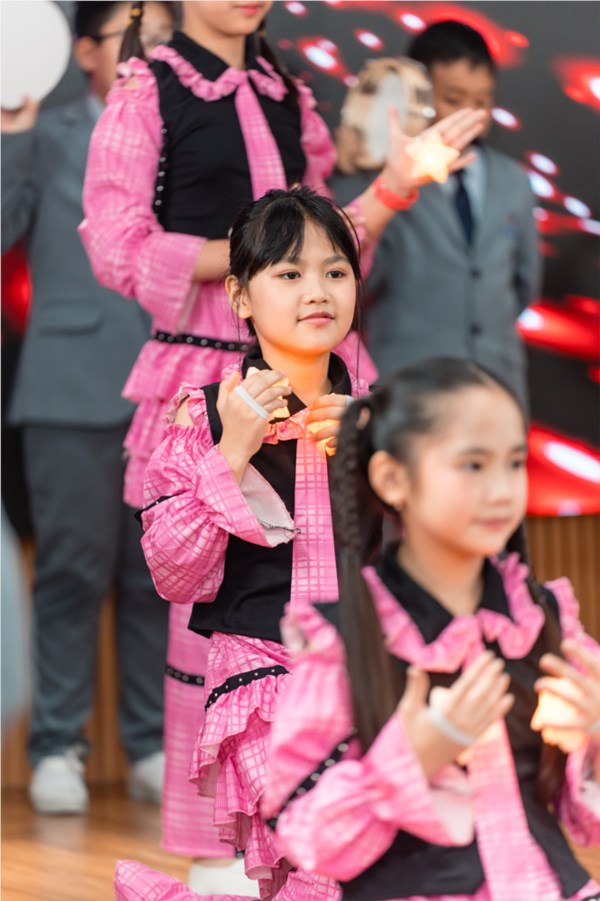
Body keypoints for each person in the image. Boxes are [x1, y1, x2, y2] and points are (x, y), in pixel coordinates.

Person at [79, 0, 485, 882]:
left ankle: (343, 835)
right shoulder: (148, 89)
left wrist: (396, 182)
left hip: (321, 366)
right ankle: (230, 850)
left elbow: (324, 240)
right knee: (218, 609)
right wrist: (256, 263)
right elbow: (117, 246)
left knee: (354, 574)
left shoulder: (287, 93)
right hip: (208, 363)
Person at [115, 186, 386, 901]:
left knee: (347, 869)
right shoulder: (203, 415)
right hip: (262, 673)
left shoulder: (388, 418)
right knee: (318, 849)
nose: (317, 291)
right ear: (240, 295)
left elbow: (434, 552)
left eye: (335, 271)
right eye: (289, 273)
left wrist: (376, 463)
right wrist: (232, 450)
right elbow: (174, 572)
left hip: (371, 670)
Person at [262, 357, 600, 901]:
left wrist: (593, 733)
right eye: (473, 465)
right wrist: (413, 759)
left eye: (514, 463)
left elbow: (579, 815)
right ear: (393, 478)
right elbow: (306, 836)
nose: (501, 490)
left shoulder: (541, 619)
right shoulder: (343, 636)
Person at [0, 0, 175, 815]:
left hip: (172, 392)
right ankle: (58, 746)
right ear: (86, 52)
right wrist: (11, 134)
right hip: (70, 388)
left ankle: (151, 742)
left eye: (164, 38)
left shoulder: (189, 134)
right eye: (133, 37)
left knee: (158, 576)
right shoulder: (46, 133)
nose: (151, 51)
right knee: (70, 571)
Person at [331, 20, 541, 406]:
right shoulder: (375, 182)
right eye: (453, 99)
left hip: (498, 384)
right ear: (416, 96)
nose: (469, 116)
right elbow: (353, 283)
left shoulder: (514, 181)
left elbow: (524, 284)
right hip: (406, 386)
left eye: (482, 102)